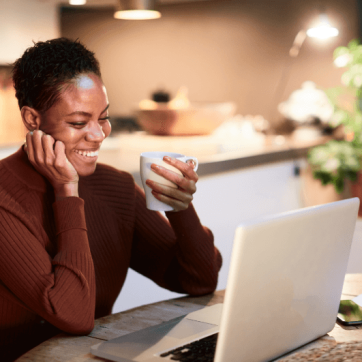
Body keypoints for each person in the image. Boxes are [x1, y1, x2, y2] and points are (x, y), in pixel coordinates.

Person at [0, 38, 222, 361]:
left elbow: (200, 279)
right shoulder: (5, 198)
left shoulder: (113, 185)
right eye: (78, 122)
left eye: (102, 117)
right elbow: (74, 316)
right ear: (32, 120)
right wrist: (66, 192)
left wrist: (180, 206)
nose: (98, 134)